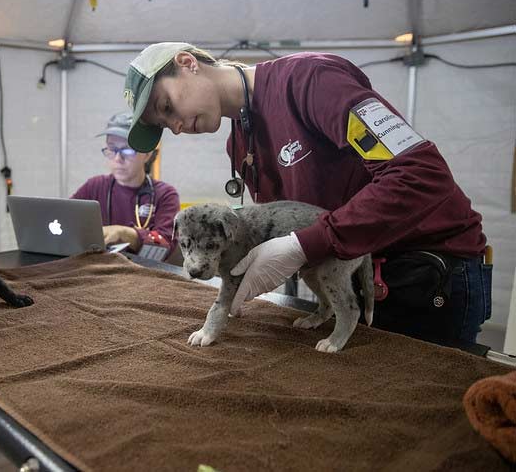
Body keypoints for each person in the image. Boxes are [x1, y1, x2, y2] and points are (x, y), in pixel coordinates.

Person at [122, 42, 490, 346]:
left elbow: (420, 174)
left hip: (425, 276)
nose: (177, 126)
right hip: (349, 278)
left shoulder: (311, 82)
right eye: (165, 126)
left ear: (187, 63)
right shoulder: (240, 146)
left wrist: (307, 243)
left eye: (167, 107)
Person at [71, 112, 180, 259]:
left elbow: (166, 243)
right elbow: (66, 219)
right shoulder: (94, 187)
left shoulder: (165, 195)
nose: (117, 158)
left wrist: (127, 234)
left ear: (147, 154)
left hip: (143, 273)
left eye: (127, 150)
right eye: (112, 149)